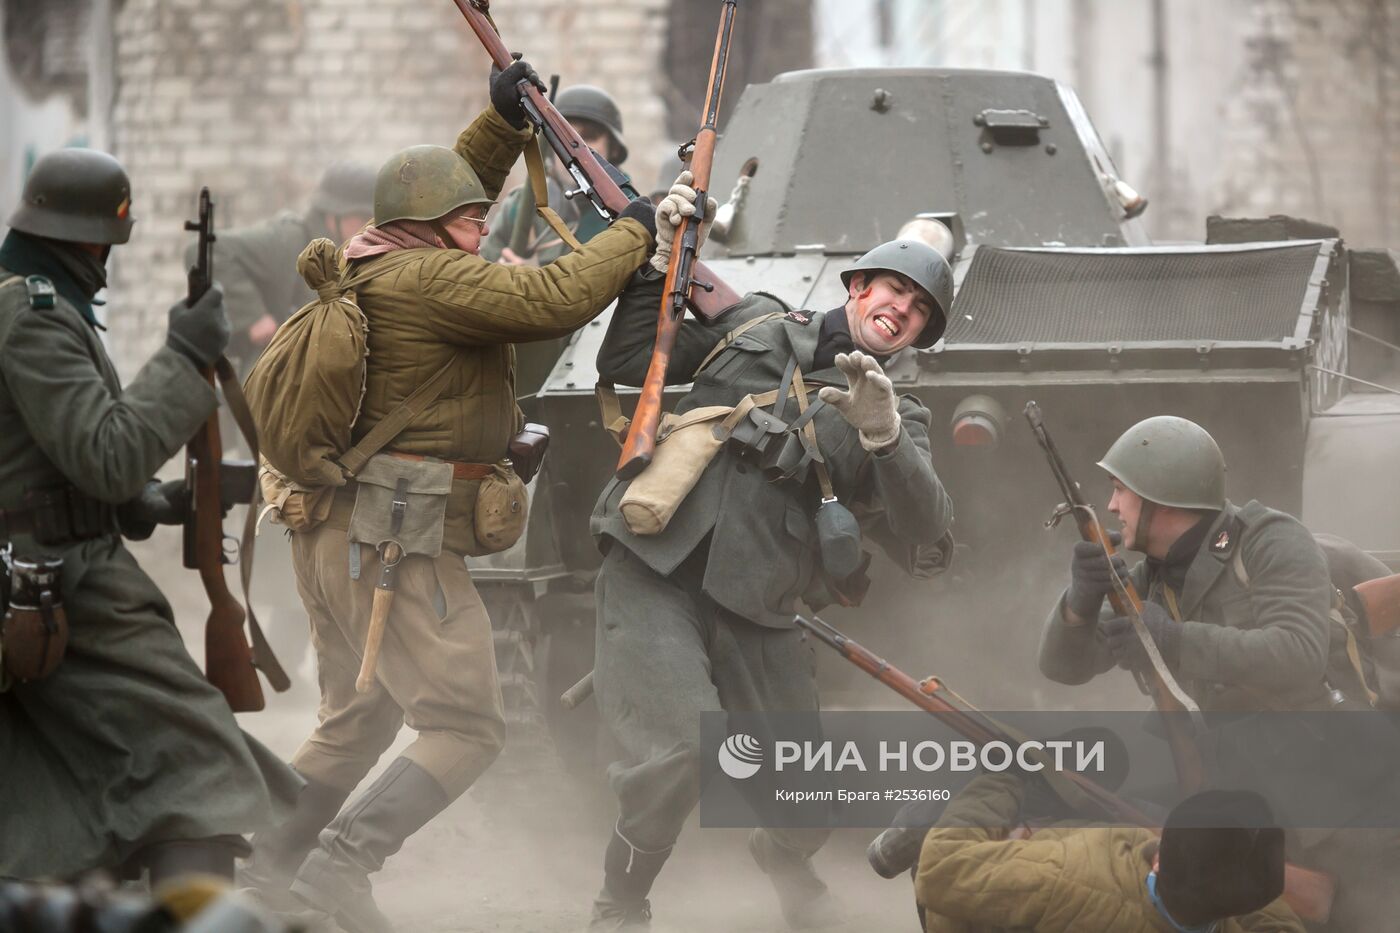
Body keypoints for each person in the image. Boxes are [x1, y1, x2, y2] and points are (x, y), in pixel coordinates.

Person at [238, 60, 657, 933]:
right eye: (468, 221)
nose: (483, 229)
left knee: (357, 721)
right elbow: (558, 293)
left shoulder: (373, 263)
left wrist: (501, 126)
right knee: (468, 725)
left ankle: (267, 873)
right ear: (432, 227)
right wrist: (636, 232)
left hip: (332, 537)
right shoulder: (432, 278)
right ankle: (336, 867)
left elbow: (450, 195)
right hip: (396, 544)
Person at [584, 176, 956, 931]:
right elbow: (626, 358)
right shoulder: (752, 324)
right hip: (656, 565)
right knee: (683, 750)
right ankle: (620, 900)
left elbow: (926, 525)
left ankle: (783, 858)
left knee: (803, 807)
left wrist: (883, 434)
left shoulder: (899, 408)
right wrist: (656, 266)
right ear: (858, 285)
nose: (901, 311)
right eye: (894, 290)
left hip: (760, 600)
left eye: (918, 313)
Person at [0, 148, 299, 883]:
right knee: (199, 768)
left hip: (49, 563)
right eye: (107, 245)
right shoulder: (34, 313)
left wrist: (148, 504)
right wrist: (182, 355)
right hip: (63, 582)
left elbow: (53, 451)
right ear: (87, 237)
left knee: (85, 782)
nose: (107, 263)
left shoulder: (36, 299)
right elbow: (105, 453)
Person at [1038, 415, 1369, 712]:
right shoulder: (1151, 580)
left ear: (1161, 496)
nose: (1111, 506)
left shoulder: (1271, 541)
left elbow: (1299, 655)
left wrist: (1174, 640)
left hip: (1321, 757)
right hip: (1230, 763)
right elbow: (1063, 668)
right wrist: (1079, 605)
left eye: (1120, 491)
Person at [914, 776, 1303, 932]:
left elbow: (941, 867)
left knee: (939, 815)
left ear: (1158, 858)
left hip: (1013, 887)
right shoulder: (1246, 905)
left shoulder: (1067, 879)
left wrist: (1000, 779)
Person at [190, 161, 376, 375]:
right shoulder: (288, 241)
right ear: (332, 214)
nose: (369, 226)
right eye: (362, 217)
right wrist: (253, 316)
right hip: (274, 382)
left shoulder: (351, 257)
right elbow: (206, 250)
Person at [480, 84, 631, 266]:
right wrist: (505, 277)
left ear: (613, 149)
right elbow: (482, 277)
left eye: (589, 136)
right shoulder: (520, 205)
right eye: (563, 138)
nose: (575, 149)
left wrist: (537, 280)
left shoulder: (630, 214)